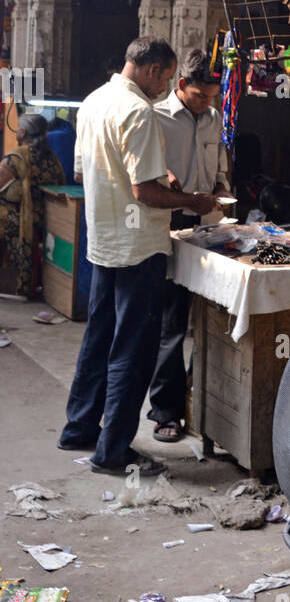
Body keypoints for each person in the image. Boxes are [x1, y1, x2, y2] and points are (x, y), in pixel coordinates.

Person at [58, 38, 219, 477]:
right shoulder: (139, 111)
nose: (164, 86)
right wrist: (192, 200)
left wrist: (152, 178)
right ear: (151, 70)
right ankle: (113, 452)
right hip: (138, 248)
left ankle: (79, 427)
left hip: (105, 240)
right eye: (166, 78)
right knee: (133, 349)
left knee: (99, 339)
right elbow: (144, 192)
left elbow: (82, 170)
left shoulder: (92, 102)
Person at [147, 47, 230, 442]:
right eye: (200, 96)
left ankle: (205, 403)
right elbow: (144, 168)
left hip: (205, 221)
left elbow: (220, 166)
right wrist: (164, 174)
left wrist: (220, 187)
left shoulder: (213, 119)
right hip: (171, 219)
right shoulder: (157, 117)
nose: (207, 104)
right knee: (172, 323)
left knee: (211, 320)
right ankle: (166, 409)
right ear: (181, 85)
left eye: (212, 97)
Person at [0, 113, 64, 296]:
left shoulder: (17, 157)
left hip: (19, 222)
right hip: (45, 220)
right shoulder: (51, 158)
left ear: (22, 133)